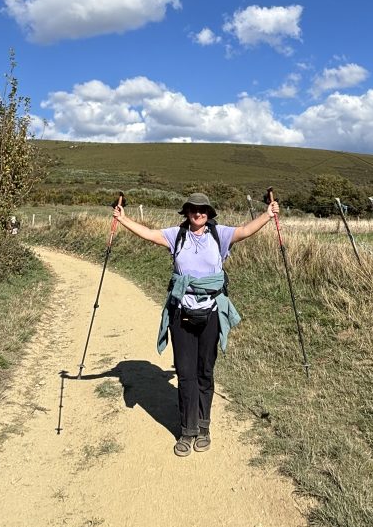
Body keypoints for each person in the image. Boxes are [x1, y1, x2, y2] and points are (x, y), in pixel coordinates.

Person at [112, 190, 280, 457]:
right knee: (185, 372)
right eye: (193, 209)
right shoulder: (176, 235)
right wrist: (123, 219)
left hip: (211, 313)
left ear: (209, 213)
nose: (198, 213)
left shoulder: (219, 234)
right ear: (187, 212)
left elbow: (245, 231)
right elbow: (149, 234)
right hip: (181, 313)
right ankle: (187, 430)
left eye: (202, 210)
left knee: (204, 371)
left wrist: (267, 215)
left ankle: (203, 427)